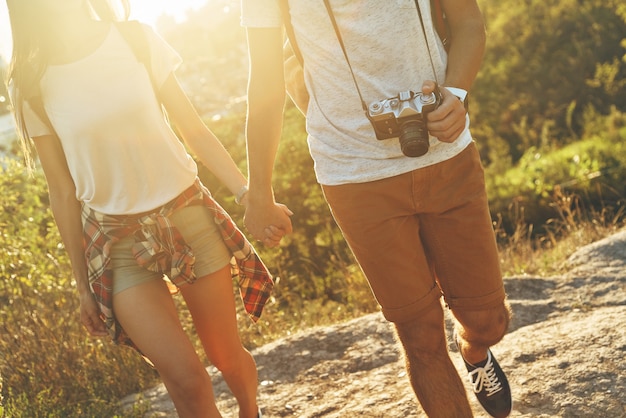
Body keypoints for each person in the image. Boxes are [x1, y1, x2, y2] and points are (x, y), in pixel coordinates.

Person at [5, 0, 287, 416]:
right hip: (115, 241)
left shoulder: (134, 38)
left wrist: (248, 194)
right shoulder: (30, 83)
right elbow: (61, 191)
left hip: (187, 216)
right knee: (186, 379)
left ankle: (250, 410)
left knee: (226, 355)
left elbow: (193, 129)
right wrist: (83, 286)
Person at [241, 1, 512, 417]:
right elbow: (265, 82)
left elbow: (469, 22)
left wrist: (456, 94)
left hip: (446, 158)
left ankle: (474, 350)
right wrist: (258, 190)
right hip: (354, 175)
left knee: (488, 321)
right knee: (419, 336)